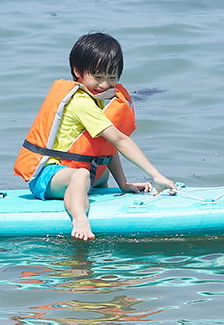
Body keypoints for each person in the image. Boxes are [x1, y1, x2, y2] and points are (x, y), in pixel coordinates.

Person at [14, 32, 176, 241]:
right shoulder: (81, 102)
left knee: (97, 175)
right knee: (81, 175)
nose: (104, 85)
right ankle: (79, 217)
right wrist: (156, 176)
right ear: (77, 72)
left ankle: (82, 197)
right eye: (97, 77)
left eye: (112, 77)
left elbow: (107, 148)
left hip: (71, 173)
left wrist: (124, 185)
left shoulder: (99, 100)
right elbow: (120, 140)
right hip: (46, 176)